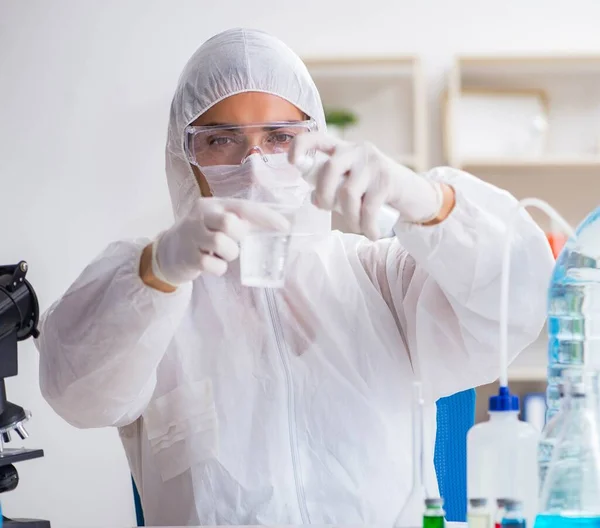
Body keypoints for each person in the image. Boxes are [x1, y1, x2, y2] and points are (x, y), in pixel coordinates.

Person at [35, 27, 554, 526]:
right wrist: (154, 271)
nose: (254, 164)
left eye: (280, 137)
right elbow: (77, 393)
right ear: (183, 155)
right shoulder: (153, 296)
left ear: (316, 141)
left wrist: (429, 203)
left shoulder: (377, 278)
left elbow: (514, 302)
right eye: (219, 140)